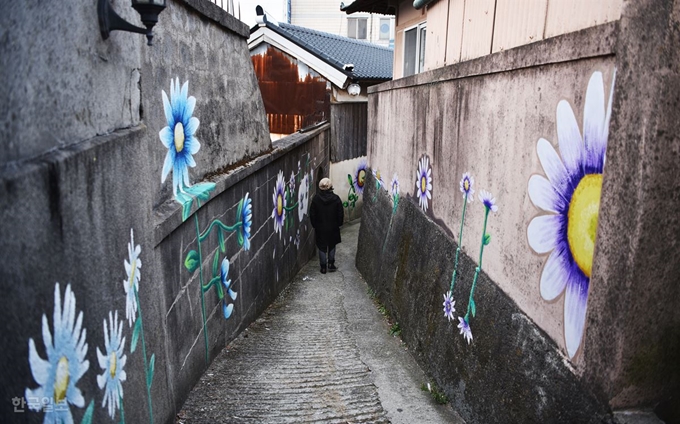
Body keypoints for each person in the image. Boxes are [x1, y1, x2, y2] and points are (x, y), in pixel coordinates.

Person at [309, 177, 344, 274]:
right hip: (333, 226)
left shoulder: (316, 199)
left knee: (321, 246)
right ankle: (331, 264)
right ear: (330, 187)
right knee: (332, 244)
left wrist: (315, 225)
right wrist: (339, 223)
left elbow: (312, 213)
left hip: (320, 227)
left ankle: (323, 267)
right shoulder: (336, 199)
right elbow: (340, 213)